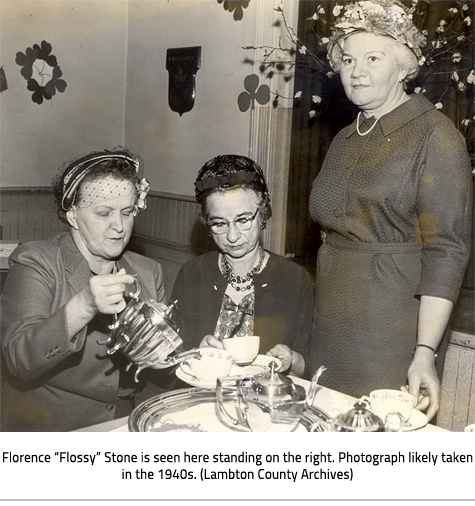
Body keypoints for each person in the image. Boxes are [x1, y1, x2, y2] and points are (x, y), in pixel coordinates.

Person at [309, 0, 473, 420]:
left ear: (403, 67)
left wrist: (424, 352)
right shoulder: (345, 136)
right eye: (348, 59)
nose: (356, 70)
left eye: (372, 58)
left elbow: (446, 250)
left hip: (390, 327)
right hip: (330, 322)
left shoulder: (435, 137)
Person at [1, 147, 166, 431]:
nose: (119, 226)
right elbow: (19, 360)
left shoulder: (149, 272)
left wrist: (185, 351)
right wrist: (85, 305)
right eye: (104, 213)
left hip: (125, 424)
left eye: (127, 212)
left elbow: (159, 370)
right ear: (73, 215)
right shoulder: (36, 262)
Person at [171, 155, 314, 376]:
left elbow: (310, 363)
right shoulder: (192, 274)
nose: (232, 236)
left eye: (243, 219)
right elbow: (169, 361)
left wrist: (293, 359)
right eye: (219, 223)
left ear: (262, 214)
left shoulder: (295, 279)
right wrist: (194, 356)